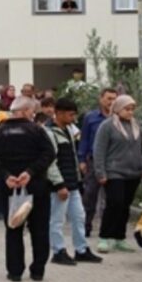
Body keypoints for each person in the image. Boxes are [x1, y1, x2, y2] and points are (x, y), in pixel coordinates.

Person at [0, 96, 56, 282]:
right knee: (40, 229)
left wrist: (6, 175)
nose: (34, 115)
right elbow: (50, 153)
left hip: (9, 187)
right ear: (25, 111)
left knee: (13, 228)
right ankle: (38, 270)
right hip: (36, 185)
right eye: (33, 112)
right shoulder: (37, 131)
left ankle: (15, 272)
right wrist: (30, 172)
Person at [46, 98, 102, 266]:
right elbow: (50, 162)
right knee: (57, 219)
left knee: (79, 216)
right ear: (60, 113)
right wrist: (59, 184)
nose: (73, 118)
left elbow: (72, 155)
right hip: (59, 185)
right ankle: (58, 251)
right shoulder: (49, 132)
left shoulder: (69, 130)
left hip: (73, 182)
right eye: (70, 115)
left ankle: (81, 249)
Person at [93, 95, 142, 254]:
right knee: (115, 202)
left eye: (132, 109)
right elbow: (99, 149)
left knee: (125, 206)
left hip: (133, 172)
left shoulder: (136, 126)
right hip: (114, 171)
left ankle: (119, 237)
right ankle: (104, 236)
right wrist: (100, 171)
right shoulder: (107, 126)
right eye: (126, 109)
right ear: (117, 108)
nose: (130, 112)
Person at [79, 88, 118, 237]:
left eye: (114, 98)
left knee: (112, 198)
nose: (111, 102)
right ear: (101, 99)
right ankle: (85, 226)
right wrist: (82, 160)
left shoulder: (119, 118)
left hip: (114, 163)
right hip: (93, 161)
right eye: (109, 98)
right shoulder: (90, 117)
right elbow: (85, 139)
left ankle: (109, 229)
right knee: (90, 195)